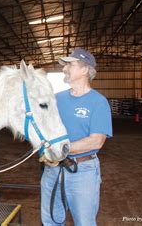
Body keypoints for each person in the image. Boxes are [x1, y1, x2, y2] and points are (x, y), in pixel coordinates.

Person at [40, 48, 113, 225]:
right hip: (52, 170)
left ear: (85, 70)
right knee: (50, 221)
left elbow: (97, 140)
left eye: (70, 65)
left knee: (84, 222)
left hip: (83, 171)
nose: (64, 69)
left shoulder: (98, 102)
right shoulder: (56, 99)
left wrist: (60, 149)